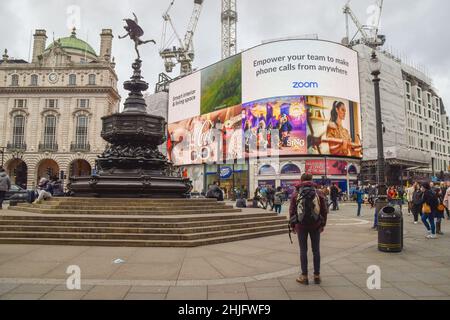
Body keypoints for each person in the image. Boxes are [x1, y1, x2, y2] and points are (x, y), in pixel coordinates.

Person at [289, 174, 328, 285]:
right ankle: (317, 275)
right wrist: (322, 224)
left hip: (301, 226)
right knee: (316, 251)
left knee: (303, 251)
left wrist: (293, 226)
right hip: (315, 225)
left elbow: (292, 211)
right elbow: (324, 210)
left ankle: (304, 276)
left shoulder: (296, 194)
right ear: (311, 180)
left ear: (301, 180)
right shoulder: (318, 193)